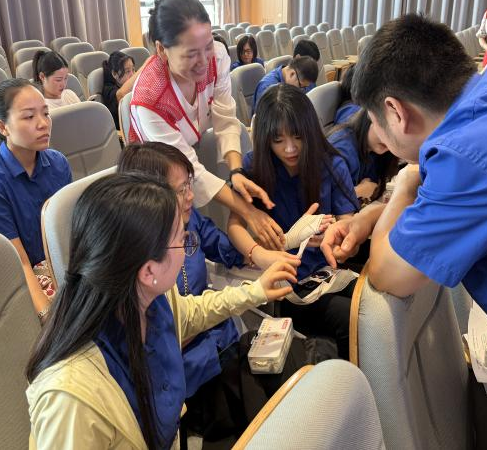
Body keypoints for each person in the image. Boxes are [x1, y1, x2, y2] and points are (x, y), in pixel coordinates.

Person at [320, 13, 487, 447]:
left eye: (376, 122)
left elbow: (387, 271)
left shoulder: (469, 156)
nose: (379, 137)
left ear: (395, 112)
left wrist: (406, 183)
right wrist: (375, 213)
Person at [25, 172, 298, 449]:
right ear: (148, 271)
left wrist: (256, 290)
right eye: (182, 240)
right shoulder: (70, 401)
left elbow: (190, 313)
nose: (187, 249)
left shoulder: (150, 297)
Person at [117, 142, 299, 442]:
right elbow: (172, 330)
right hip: (193, 375)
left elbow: (223, 247)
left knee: (290, 384)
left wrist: (270, 249)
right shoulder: (145, 269)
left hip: (225, 343)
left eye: (189, 185)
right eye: (180, 190)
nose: (190, 196)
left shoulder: (191, 220)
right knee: (270, 420)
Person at [128, 0, 285, 251]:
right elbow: (189, 166)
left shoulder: (218, 57)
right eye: (191, 53)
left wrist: (236, 171)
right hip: (157, 177)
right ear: (161, 49)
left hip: (188, 155)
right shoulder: (149, 99)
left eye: (208, 46)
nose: (204, 61)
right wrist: (249, 212)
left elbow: (224, 116)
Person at [228, 84, 359, 359]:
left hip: (326, 274)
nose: (289, 148)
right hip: (285, 287)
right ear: (265, 139)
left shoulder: (331, 165)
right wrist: (264, 252)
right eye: (278, 140)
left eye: (298, 137)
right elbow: (234, 227)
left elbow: (349, 231)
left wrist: (335, 239)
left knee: (372, 304)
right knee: (355, 319)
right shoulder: (254, 168)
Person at [0, 79, 72, 316]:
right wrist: (48, 318)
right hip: (26, 280)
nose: (43, 123)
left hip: (65, 263)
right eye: (29, 117)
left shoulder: (58, 163)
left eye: (46, 113)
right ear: (3, 127)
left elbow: (71, 230)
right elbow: (19, 265)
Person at [327, 109, 399, 203]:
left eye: (396, 136)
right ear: (370, 117)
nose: (388, 139)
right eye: (385, 129)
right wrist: (360, 190)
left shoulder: (376, 151)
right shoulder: (341, 150)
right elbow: (325, 199)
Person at [251, 56, 318, 115]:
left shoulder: (302, 81)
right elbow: (265, 121)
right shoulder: (267, 87)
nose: (302, 90)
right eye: (301, 86)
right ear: (292, 74)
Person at [101, 51, 135, 129]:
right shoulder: (108, 90)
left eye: (133, 69)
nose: (132, 75)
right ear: (114, 74)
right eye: (127, 71)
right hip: (122, 132)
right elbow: (121, 95)